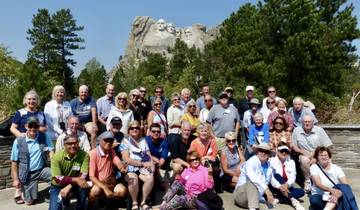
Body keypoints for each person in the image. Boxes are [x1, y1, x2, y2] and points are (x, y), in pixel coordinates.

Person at [10, 116, 53, 205]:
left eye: (36, 126)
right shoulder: (18, 141)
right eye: (30, 126)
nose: (33, 128)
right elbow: (14, 162)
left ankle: (51, 193)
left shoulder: (44, 136)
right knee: (29, 202)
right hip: (28, 174)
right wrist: (15, 179)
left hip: (41, 170)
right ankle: (24, 192)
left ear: (38, 127)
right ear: (26, 126)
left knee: (57, 176)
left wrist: (52, 159)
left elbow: (51, 150)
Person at [292, 115, 333, 193]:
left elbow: (327, 145)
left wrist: (315, 156)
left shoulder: (319, 130)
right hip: (304, 154)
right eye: (305, 122)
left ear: (313, 123)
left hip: (319, 153)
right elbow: (294, 146)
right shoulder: (296, 130)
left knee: (327, 161)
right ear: (302, 123)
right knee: (304, 160)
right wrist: (303, 152)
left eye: (309, 122)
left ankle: (328, 182)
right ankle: (308, 181)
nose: (307, 123)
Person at [88, 131, 128, 209]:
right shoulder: (93, 153)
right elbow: (91, 177)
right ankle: (90, 207)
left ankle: (107, 203)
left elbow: (117, 161)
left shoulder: (111, 151)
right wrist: (105, 188)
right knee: (95, 191)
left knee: (122, 191)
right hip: (98, 184)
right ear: (100, 141)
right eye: (106, 140)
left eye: (111, 141)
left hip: (110, 183)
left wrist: (122, 168)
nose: (109, 143)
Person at [120, 121, 155, 210]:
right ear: (128, 130)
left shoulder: (143, 140)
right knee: (133, 180)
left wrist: (151, 165)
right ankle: (134, 202)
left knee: (150, 178)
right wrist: (142, 163)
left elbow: (148, 155)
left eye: (137, 128)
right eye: (132, 128)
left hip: (142, 168)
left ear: (140, 129)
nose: (135, 129)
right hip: (130, 168)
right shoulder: (125, 141)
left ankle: (143, 202)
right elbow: (126, 159)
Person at [49, 134, 89, 210]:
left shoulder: (84, 155)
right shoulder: (56, 157)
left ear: (78, 143)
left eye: (75, 143)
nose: (73, 146)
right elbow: (57, 178)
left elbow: (84, 174)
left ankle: (80, 208)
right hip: (58, 185)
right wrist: (76, 179)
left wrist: (69, 186)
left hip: (75, 185)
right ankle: (65, 200)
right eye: (69, 144)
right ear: (64, 145)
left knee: (83, 185)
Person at [233, 143, 276, 210]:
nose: (263, 153)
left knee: (269, 208)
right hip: (241, 195)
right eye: (261, 150)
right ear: (257, 152)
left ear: (269, 155)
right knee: (252, 183)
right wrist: (266, 189)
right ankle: (253, 208)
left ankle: (253, 207)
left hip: (256, 198)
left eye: (266, 152)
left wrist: (283, 187)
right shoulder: (252, 161)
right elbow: (253, 177)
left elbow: (273, 181)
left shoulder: (269, 165)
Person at [269, 142, 305, 210]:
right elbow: (271, 178)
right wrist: (280, 187)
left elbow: (293, 176)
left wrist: (287, 185)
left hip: (287, 186)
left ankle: (279, 198)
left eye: (286, 151)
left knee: (301, 192)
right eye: (282, 151)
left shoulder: (291, 162)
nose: (284, 153)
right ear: (277, 151)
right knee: (277, 175)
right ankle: (293, 200)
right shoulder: (271, 161)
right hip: (275, 186)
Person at [145, 123, 171, 189]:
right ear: (150, 132)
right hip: (147, 162)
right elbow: (144, 153)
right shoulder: (145, 140)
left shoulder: (164, 142)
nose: (156, 133)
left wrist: (158, 163)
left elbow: (163, 157)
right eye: (153, 131)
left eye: (158, 131)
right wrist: (154, 159)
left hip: (160, 164)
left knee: (165, 185)